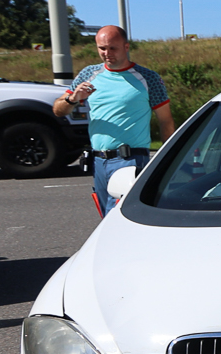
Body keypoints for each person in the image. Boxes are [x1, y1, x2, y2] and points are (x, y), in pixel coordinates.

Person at [56, 26, 173, 215]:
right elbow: (58, 109)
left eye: (113, 48)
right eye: (102, 48)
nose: (107, 53)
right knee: (106, 217)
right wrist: (73, 99)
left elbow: (166, 120)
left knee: (118, 217)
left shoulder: (148, 78)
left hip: (129, 159)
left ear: (126, 47)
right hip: (98, 161)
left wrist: (169, 158)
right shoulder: (89, 74)